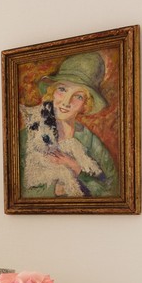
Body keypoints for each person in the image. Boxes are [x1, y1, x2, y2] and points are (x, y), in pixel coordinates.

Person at [19, 51, 119, 198]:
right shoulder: (27, 136)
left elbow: (113, 190)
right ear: (51, 91)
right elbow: (18, 190)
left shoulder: (90, 142)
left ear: (86, 104)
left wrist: (77, 168)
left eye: (78, 96)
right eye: (62, 89)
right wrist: (56, 189)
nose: (66, 102)